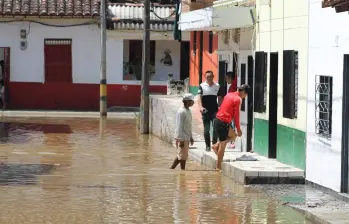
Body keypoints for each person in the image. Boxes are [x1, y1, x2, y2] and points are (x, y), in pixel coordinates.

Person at [213, 84, 250, 170]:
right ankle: (218, 167)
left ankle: (216, 145)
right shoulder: (238, 99)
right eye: (246, 94)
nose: (245, 96)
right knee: (223, 146)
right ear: (244, 92)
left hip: (218, 120)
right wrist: (239, 129)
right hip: (223, 122)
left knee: (233, 136)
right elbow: (236, 115)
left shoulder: (229, 94)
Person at [171, 93, 195, 170]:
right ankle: (180, 171)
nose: (193, 103)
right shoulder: (181, 112)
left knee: (182, 156)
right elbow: (179, 126)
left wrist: (191, 137)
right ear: (187, 101)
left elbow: (189, 125)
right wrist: (180, 139)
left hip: (186, 137)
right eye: (192, 101)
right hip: (182, 137)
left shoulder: (188, 111)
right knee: (181, 156)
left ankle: (178, 170)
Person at [198, 70, 220, 152]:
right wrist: (200, 107)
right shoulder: (201, 86)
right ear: (205, 77)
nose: (209, 78)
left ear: (213, 76)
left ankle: (214, 145)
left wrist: (220, 107)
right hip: (206, 111)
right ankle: (207, 146)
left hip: (215, 111)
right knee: (206, 129)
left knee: (215, 129)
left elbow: (220, 97)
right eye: (207, 77)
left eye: (211, 76)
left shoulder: (217, 86)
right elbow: (199, 98)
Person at [218, 71, 238, 149]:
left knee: (232, 127)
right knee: (231, 127)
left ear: (230, 78)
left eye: (227, 78)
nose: (226, 80)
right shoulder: (231, 86)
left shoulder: (233, 86)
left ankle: (232, 142)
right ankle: (231, 142)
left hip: (232, 110)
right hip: (230, 110)